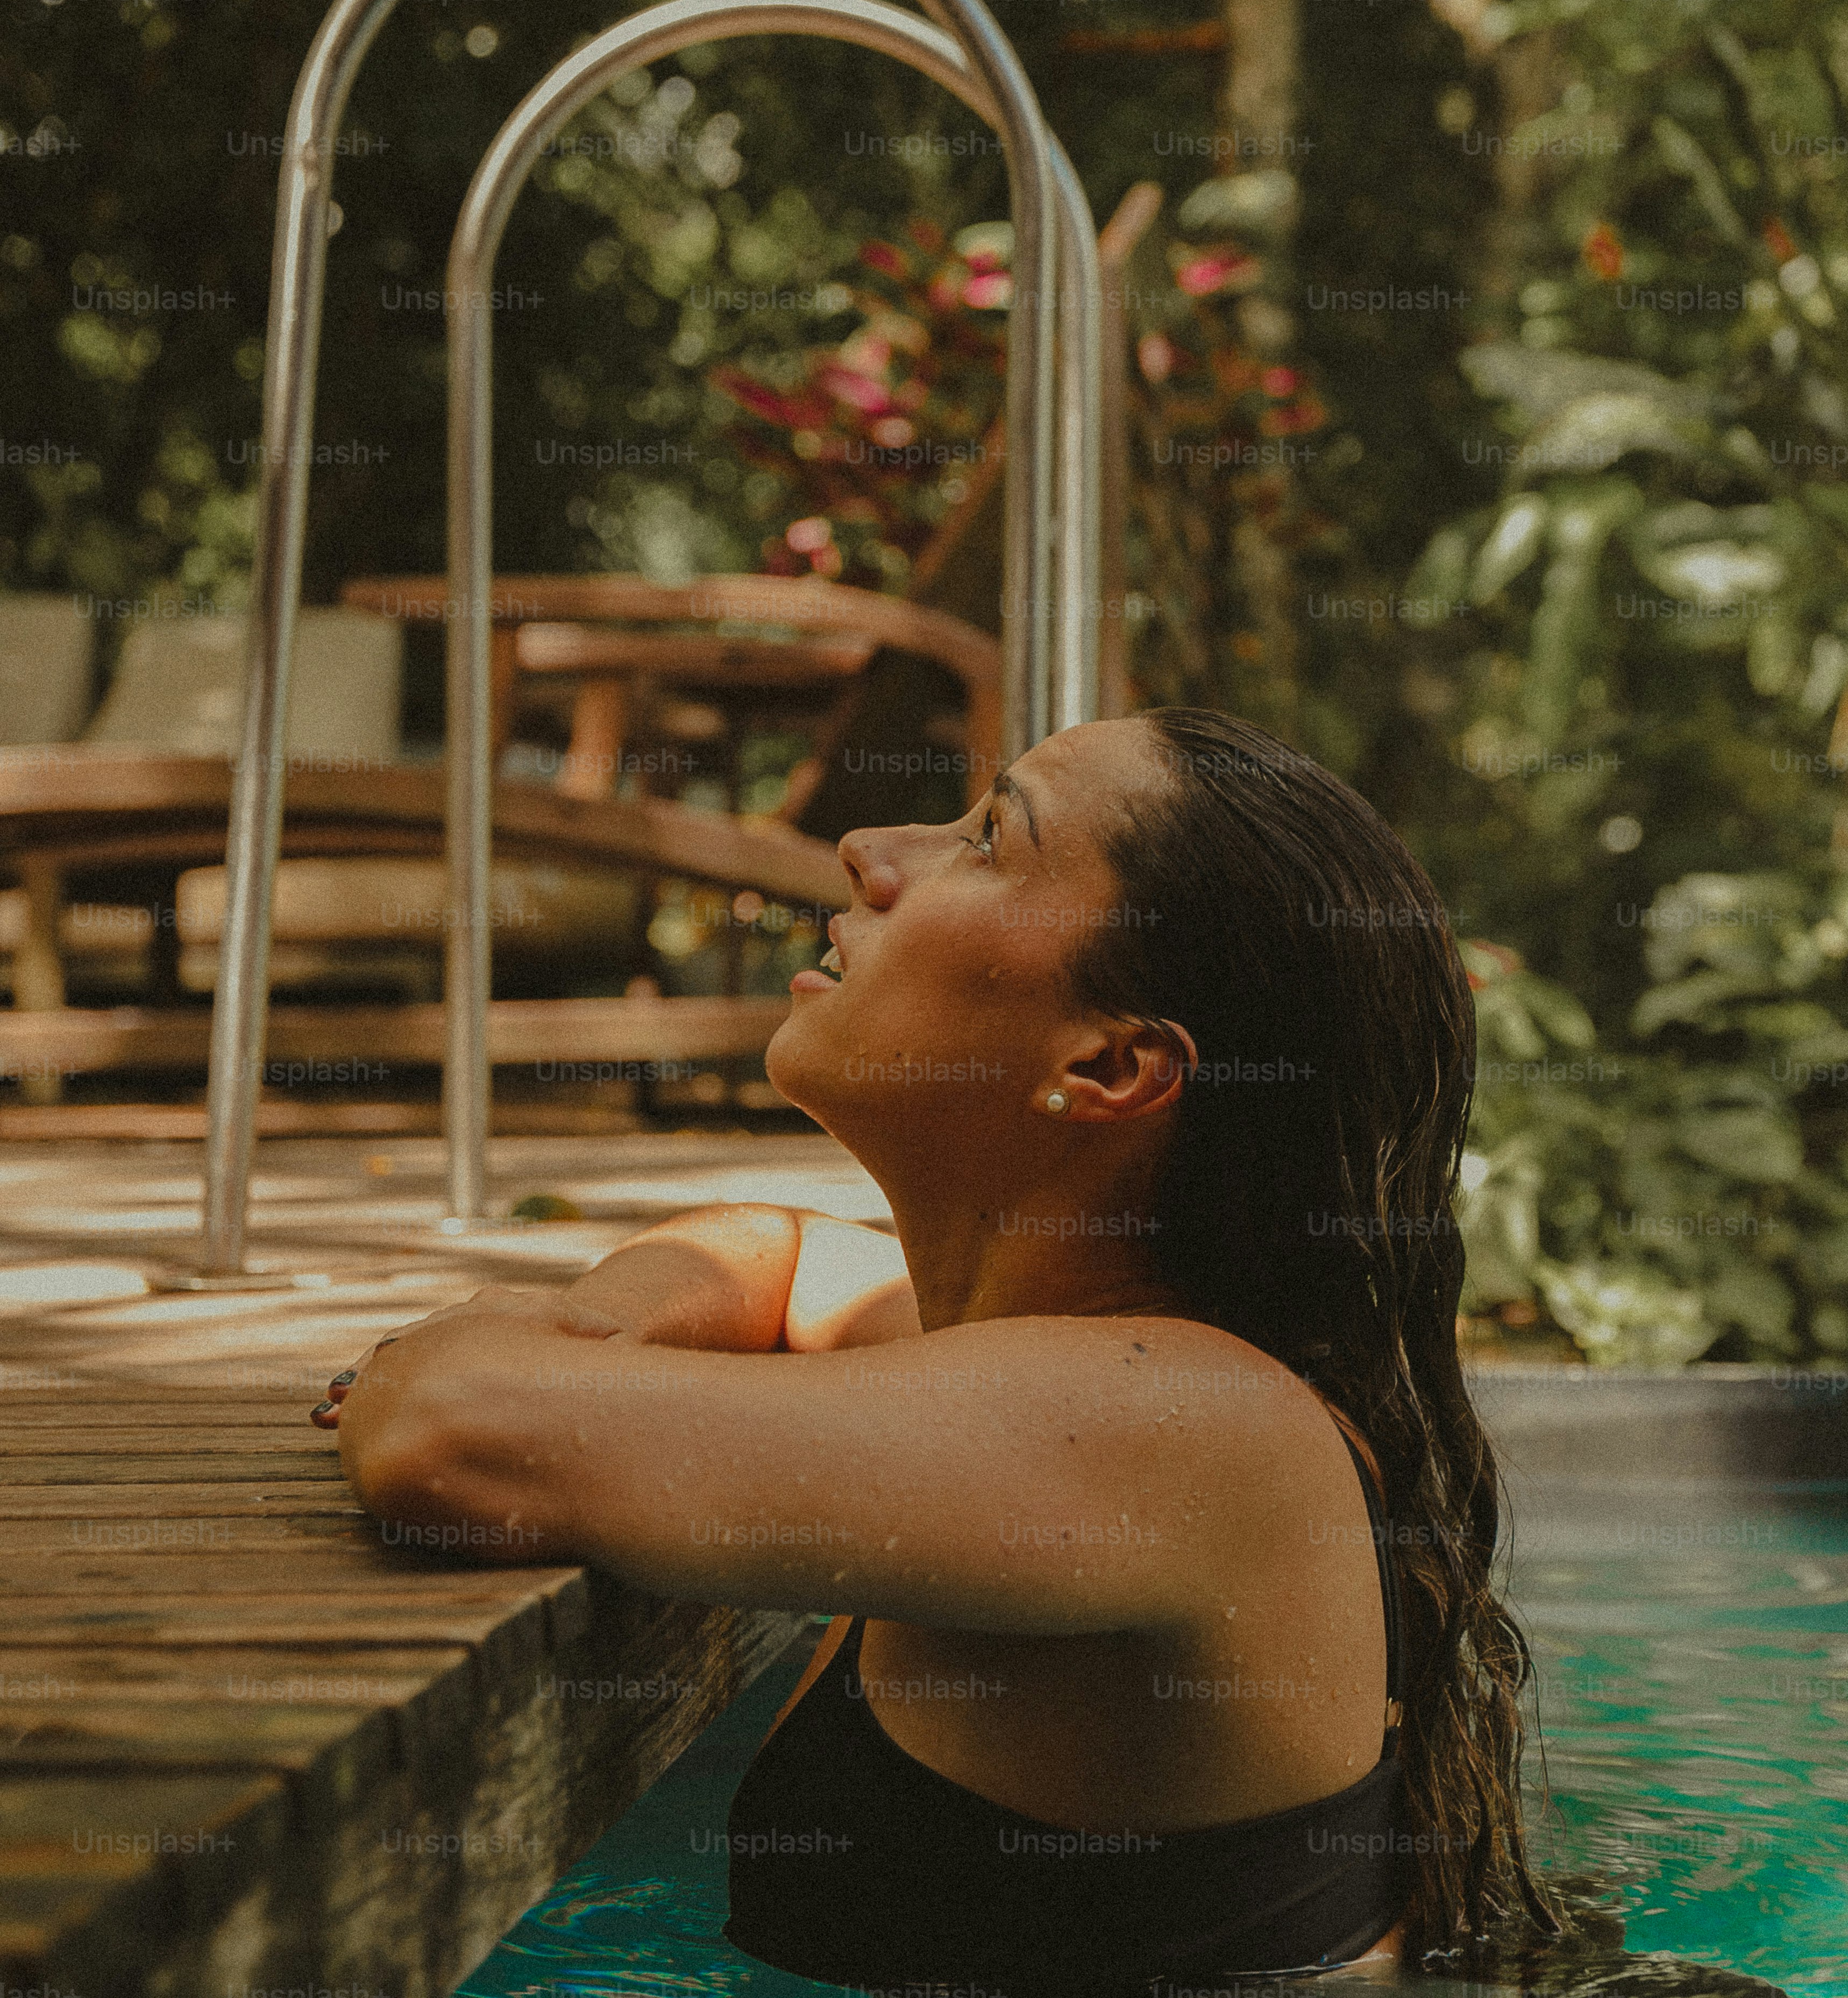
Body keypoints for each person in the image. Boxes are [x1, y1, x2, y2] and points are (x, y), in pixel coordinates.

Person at [318, 707, 1560, 1996]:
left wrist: (504, 1366)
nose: (868, 850)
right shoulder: (1044, 1356)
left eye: (984, 839)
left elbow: (444, 1435)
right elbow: (774, 1245)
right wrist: (582, 1335)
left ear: (1111, 1064)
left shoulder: (1177, 1423)